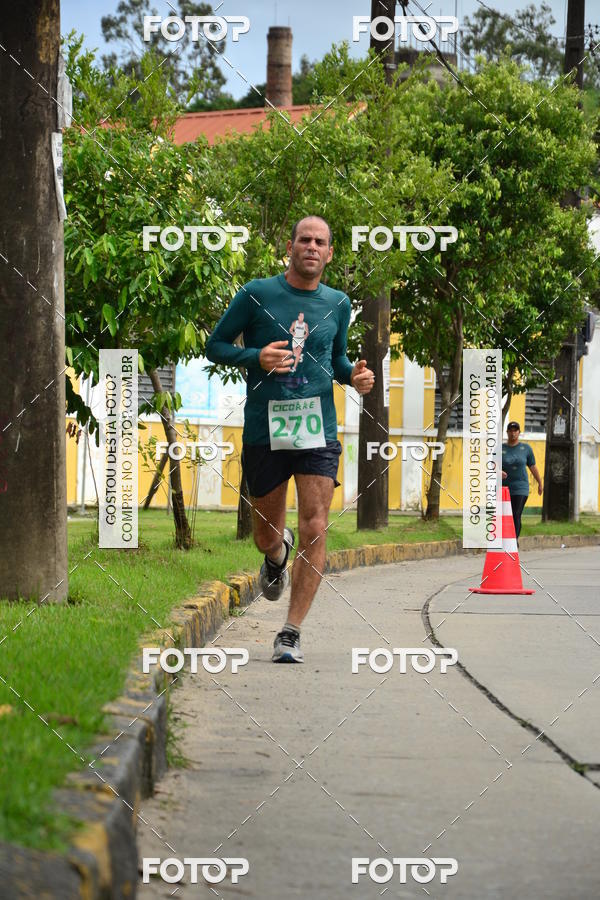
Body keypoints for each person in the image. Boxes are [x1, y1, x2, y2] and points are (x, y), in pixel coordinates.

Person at [205, 216, 375, 663]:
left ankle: (291, 632)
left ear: (330, 253)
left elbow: (335, 359)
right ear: (290, 246)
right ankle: (277, 555)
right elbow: (215, 345)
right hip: (266, 430)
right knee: (265, 535)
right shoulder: (257, 294)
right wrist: (254, 357)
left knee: (316, 525)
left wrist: (353, 376)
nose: (312, 247)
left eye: (320, 242)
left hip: (317, 429)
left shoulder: (338, 303)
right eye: (304, 240)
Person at [501, 421, 543, 539]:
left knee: (516, 513)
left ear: (519, 432)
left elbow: (532, 466)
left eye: (515, 431)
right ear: (507, 432)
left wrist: (540, 483)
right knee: (505, 514)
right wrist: (498, 471)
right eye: (511, 431)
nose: (513, 433)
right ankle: (505, 539)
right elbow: (492, 465)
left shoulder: (526, 448)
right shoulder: (500, 448)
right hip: (504, 488)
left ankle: (514, 540)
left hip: (521, 487)